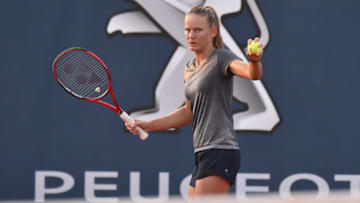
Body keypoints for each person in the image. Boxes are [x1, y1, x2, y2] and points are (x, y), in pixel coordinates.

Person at [125, 5, 263, 199]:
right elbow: (189, 112)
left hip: (220, 150)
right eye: (188, 30)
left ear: (213, 31)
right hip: (202, 152)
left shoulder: (222, 58)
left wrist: (254, 61)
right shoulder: (189, 68)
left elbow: (251, 74)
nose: (191, 35)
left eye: (197, 30)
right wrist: (148, 125)